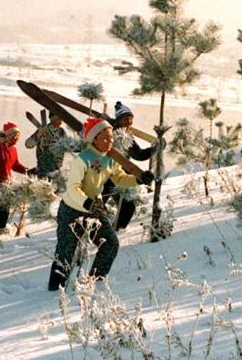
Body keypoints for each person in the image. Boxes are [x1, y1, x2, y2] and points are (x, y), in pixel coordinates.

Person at [48, 117, 154, 291]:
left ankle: (95, 282)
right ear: (94, 139)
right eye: (105, 138)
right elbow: (73, 187)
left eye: (111, 137)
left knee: (110, 243)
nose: (110, 141)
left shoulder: (111, 158)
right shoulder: (83, 159)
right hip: (72, 209)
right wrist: (87, 203)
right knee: (66, 251)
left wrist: (139, 179)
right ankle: (55, 289)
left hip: (94, 208)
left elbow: (119, 178)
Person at [102, 101, 160, 230]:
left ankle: (117, 230)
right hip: (104, 175)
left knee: (128, 205)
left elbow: (138, 155)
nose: (129, 122)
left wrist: (154, 149)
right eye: (125, 119)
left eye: (131, 119)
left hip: (122, 175)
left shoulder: (127, 136)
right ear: (118, 120)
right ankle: (88, 230)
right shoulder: (108, 133)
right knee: (97, 204)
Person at [25, 112, 66, 179]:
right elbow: (28, 144)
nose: (61, 122)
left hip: (56, 168)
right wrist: (38, 134)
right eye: (59, 119)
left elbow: (67, 146)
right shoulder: (41, 131)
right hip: (43, 169)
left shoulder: (61, 132)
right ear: (53, 119)